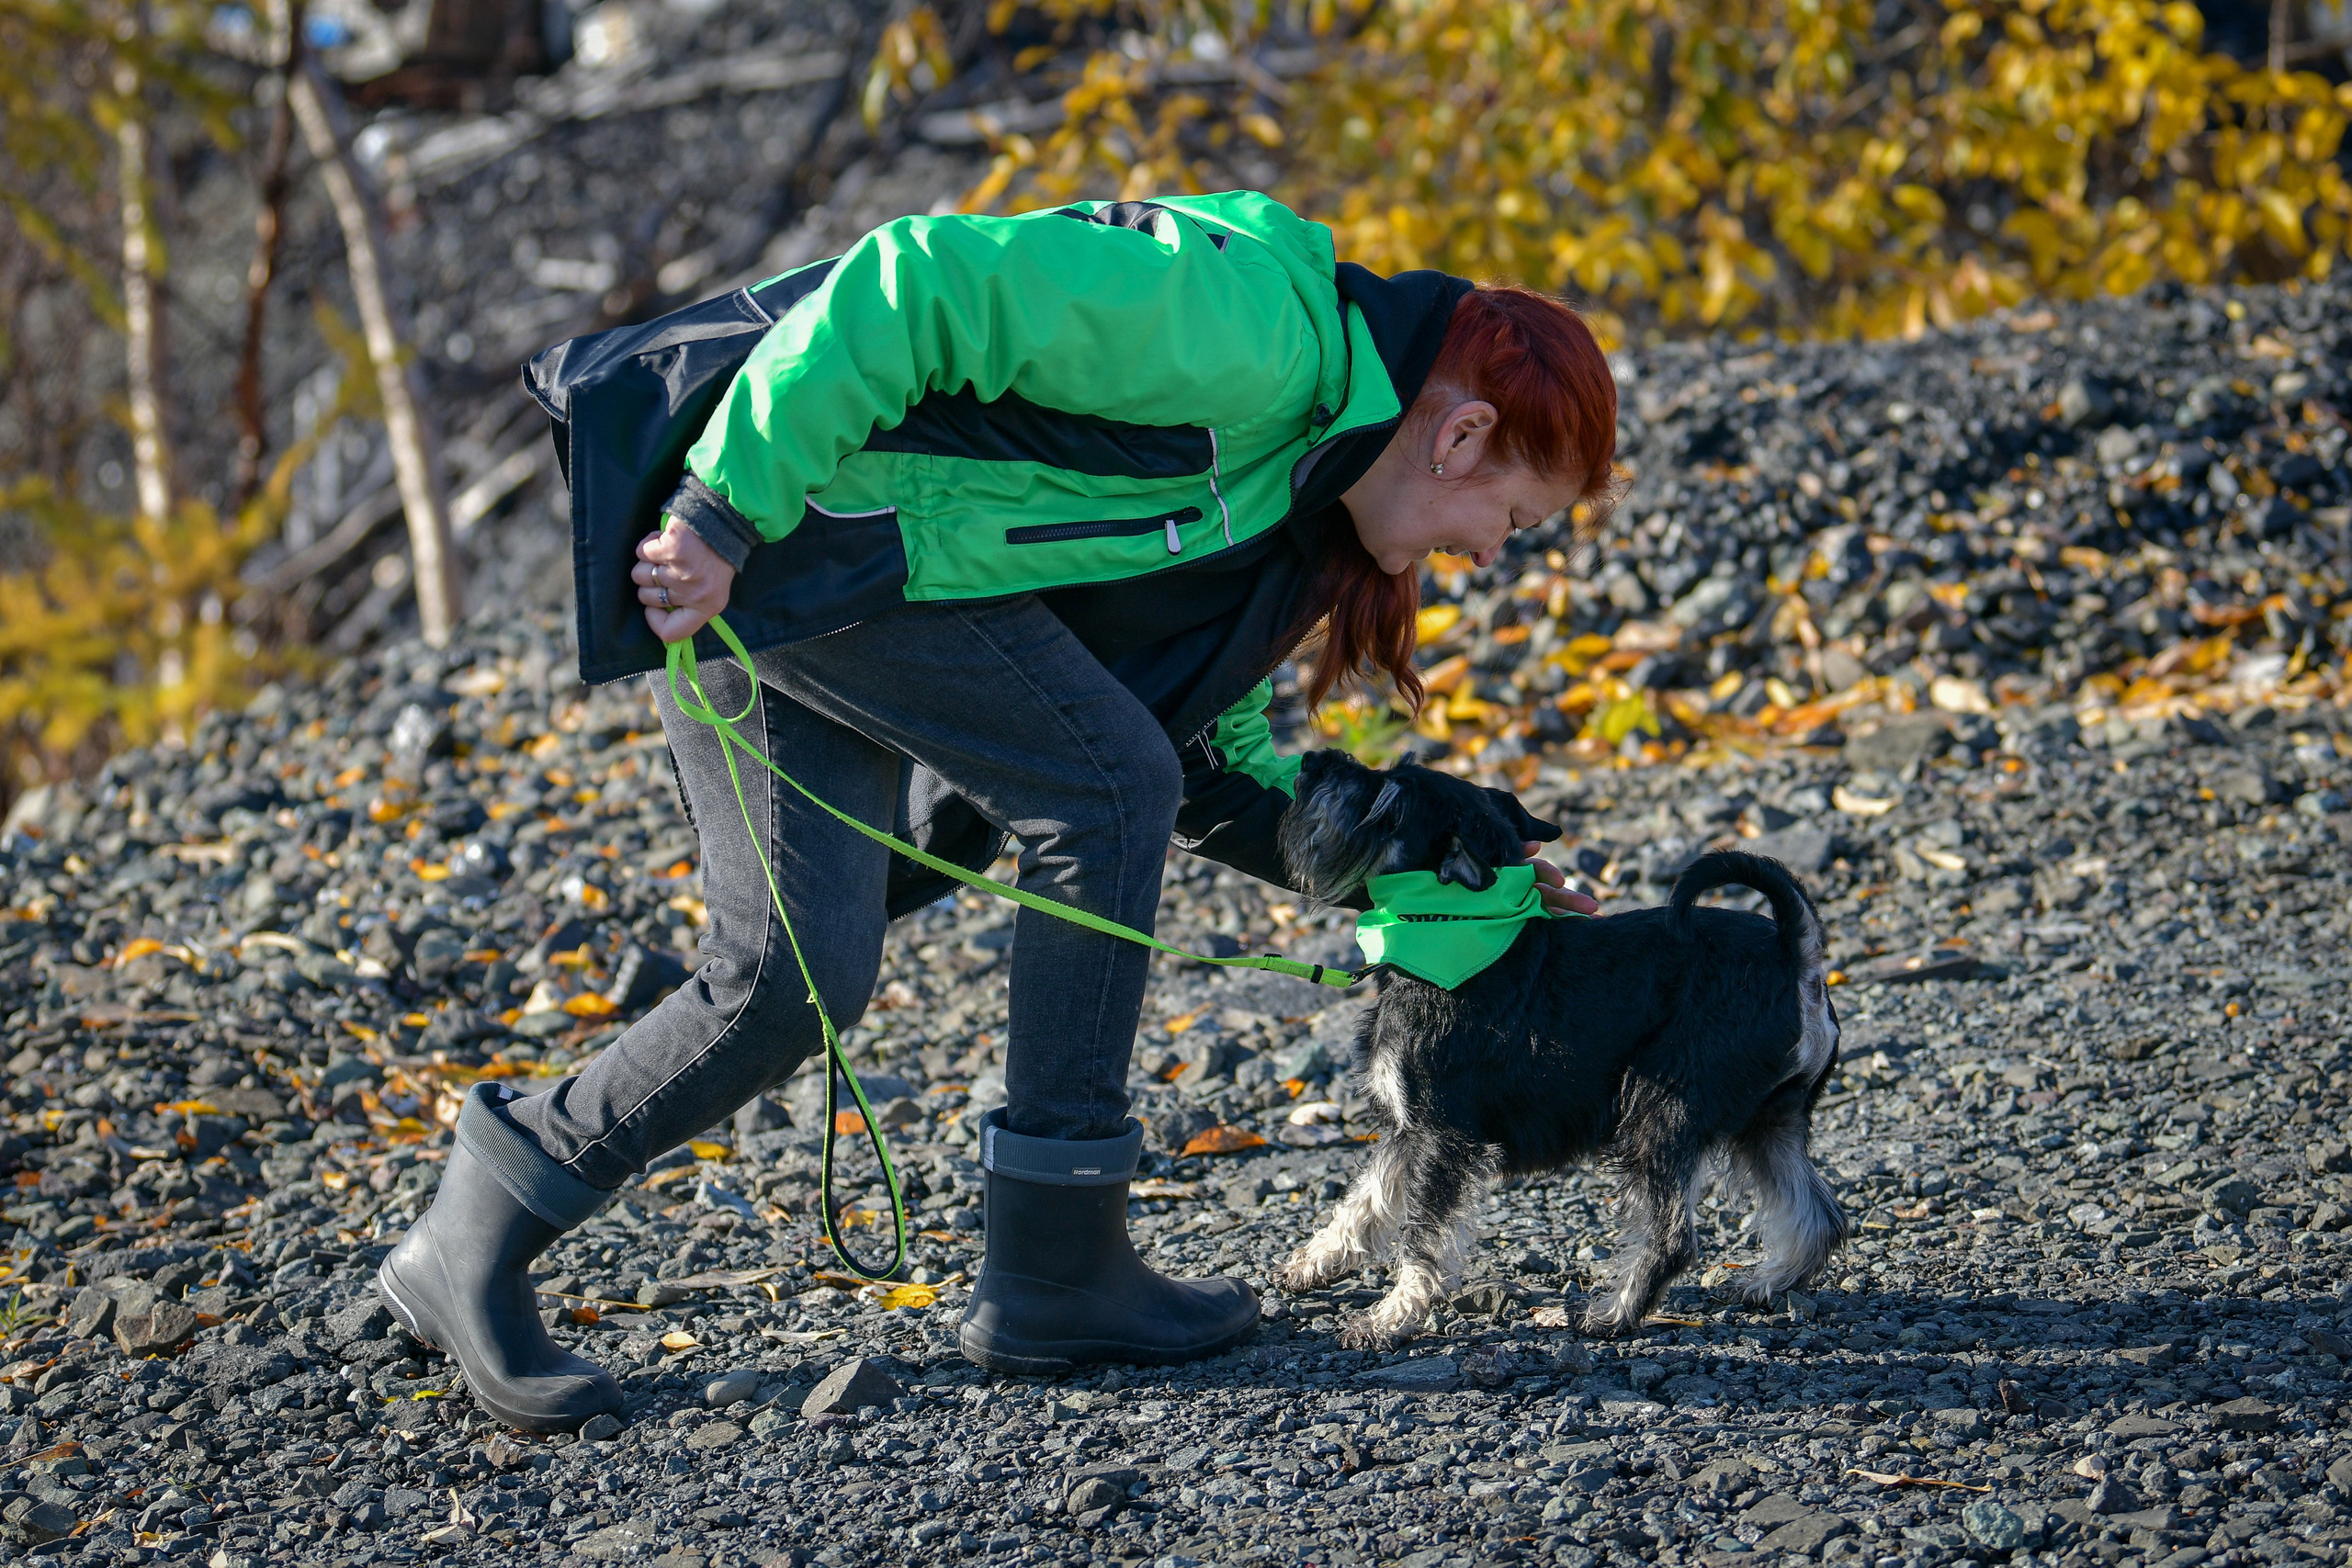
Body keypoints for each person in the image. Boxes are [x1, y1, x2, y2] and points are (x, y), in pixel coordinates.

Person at [378, 191, 1617, 1431]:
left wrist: (1455, 873)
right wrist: (722, 508)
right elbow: (921, 279)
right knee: (1102, 787)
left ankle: (473, 1228)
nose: (1491, 554)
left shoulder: (1304, 500)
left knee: (789, 979)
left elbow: (1214, 764)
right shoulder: (1255, 331)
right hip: (787, 529)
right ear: (1459, 436)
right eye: (1512, 518)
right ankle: (1056, 1268)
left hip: (818, 579)